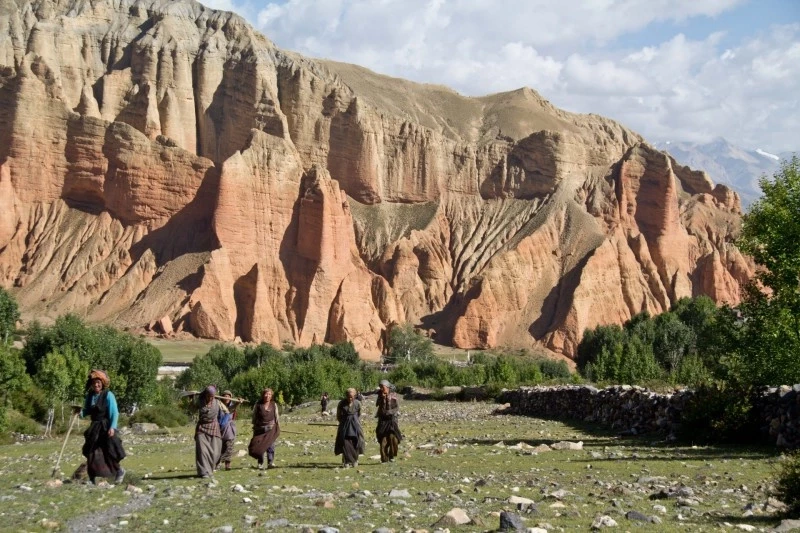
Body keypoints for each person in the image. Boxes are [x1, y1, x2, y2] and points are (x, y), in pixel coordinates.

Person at [78, 369, 126, 484]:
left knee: (108, 451)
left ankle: (119, 471)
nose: (96, 384)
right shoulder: (90, 396)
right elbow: (87, 411)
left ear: (102, 383)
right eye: (94, 382)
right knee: (91, 452)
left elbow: (114, 413)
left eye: (98, 382)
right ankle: (92, 477)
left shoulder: (108, 395)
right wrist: (79, 413)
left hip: (105, 427)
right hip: (94, 428)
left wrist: (112, 427)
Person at [195, 385, 224, 479]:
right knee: (202, 451)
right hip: (201, 427)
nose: (210, 398)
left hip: (214, 427)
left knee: (215, 452)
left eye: (212, 396)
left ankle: (210, 469)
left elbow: (228, 410)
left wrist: (237, 403)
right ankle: (203, 472)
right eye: (209, 396)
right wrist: (191, 400)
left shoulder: (218, 403)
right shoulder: (200, 402)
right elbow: (191, 409)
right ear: (205, 394)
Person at [248, 388, 280, 469]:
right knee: (260, 446)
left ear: (271, 396)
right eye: (266, 394)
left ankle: (270, 462)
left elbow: (276, 416)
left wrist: (277, 426)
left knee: (270, 446)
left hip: (271, 428)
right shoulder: (258, 405)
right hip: (260, 429)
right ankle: (260, 463)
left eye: (269, 394)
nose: (267, 396)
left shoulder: (274, 404)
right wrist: (254, 425)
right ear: (263, 395)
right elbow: (254, 416)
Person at [335, 388, 364, 467]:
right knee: (345, 442)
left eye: (351, 397)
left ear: (354, 396)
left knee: (357, 441)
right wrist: (344, 421)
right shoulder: (341, 403)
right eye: (348, 396)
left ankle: (355, 459)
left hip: (355, 424)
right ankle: (346, 461)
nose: (349, 398)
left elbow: (359, 414)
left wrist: (354, 420)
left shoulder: (358, 403)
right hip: (345, 425)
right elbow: (338, 416)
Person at [375, 379, 402, 463]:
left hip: (392, 420)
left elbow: (397, 407)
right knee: (383, 441)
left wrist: (390, 412)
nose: (381, 389)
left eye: (383, 387)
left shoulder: (394, 395)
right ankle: (384, 458)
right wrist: (382, 398)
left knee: (393, 438)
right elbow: (377, 405)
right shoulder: (380, 395)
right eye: (380, 387)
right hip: (383, 421)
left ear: (387, 387)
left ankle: (392, 456)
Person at [216, 390, 241, 471]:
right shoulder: (218, 405)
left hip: (229, 428)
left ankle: (227, 464)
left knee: (229, 446)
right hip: (219, 428)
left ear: (230, 397)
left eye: (228, 396)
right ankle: (217, 463)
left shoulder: (232, 405)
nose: (226, 397)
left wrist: (238, 403)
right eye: (225, 396)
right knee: (219, 447)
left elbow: (230, 410)